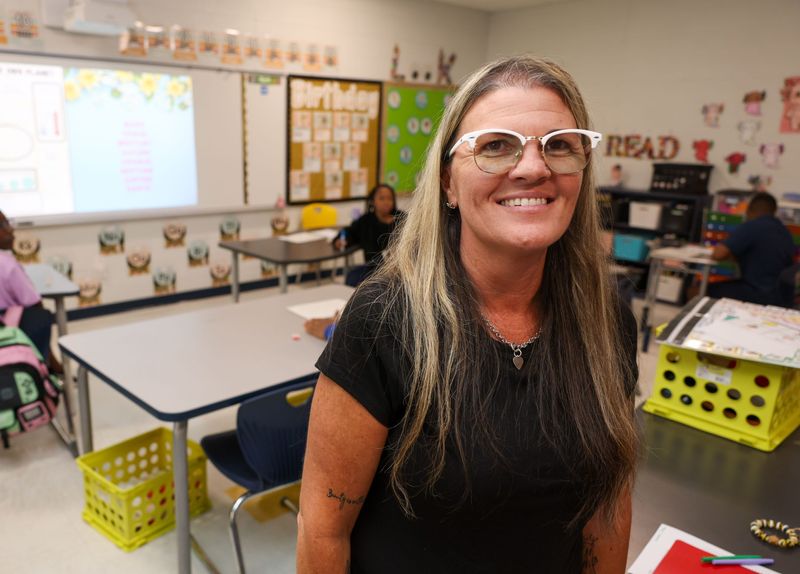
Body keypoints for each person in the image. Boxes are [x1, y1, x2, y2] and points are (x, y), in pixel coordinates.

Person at [297, 56, 639, 573]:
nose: (533, 168)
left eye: (559, 145)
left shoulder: (607, 321)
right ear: (448, 184)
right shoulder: (383, 321)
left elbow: (607, 505)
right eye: (496, 146)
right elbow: (323, 530)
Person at [708, 192, 796, 307]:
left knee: (700, 290)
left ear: (749, 210)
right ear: (774, 211)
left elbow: (718, 254)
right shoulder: (785, 232)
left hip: (757, 293)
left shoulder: (751, 226)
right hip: (782, 297)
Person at [0, 210, 62, 373]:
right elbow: (34, 303)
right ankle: (46, 368)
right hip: (11, 337)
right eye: (3, 225)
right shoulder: (7, 264)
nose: (10, 230)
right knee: (40, 317)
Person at [334, 183, 403, 287]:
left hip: (400, 270)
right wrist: (340, 240)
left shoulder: (402, 219)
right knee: (351, 278)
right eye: (381, 198)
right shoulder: (365, 221)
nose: (386, 202)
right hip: (374, 269)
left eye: (389, 198)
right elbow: (350, 232)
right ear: (373, 201)